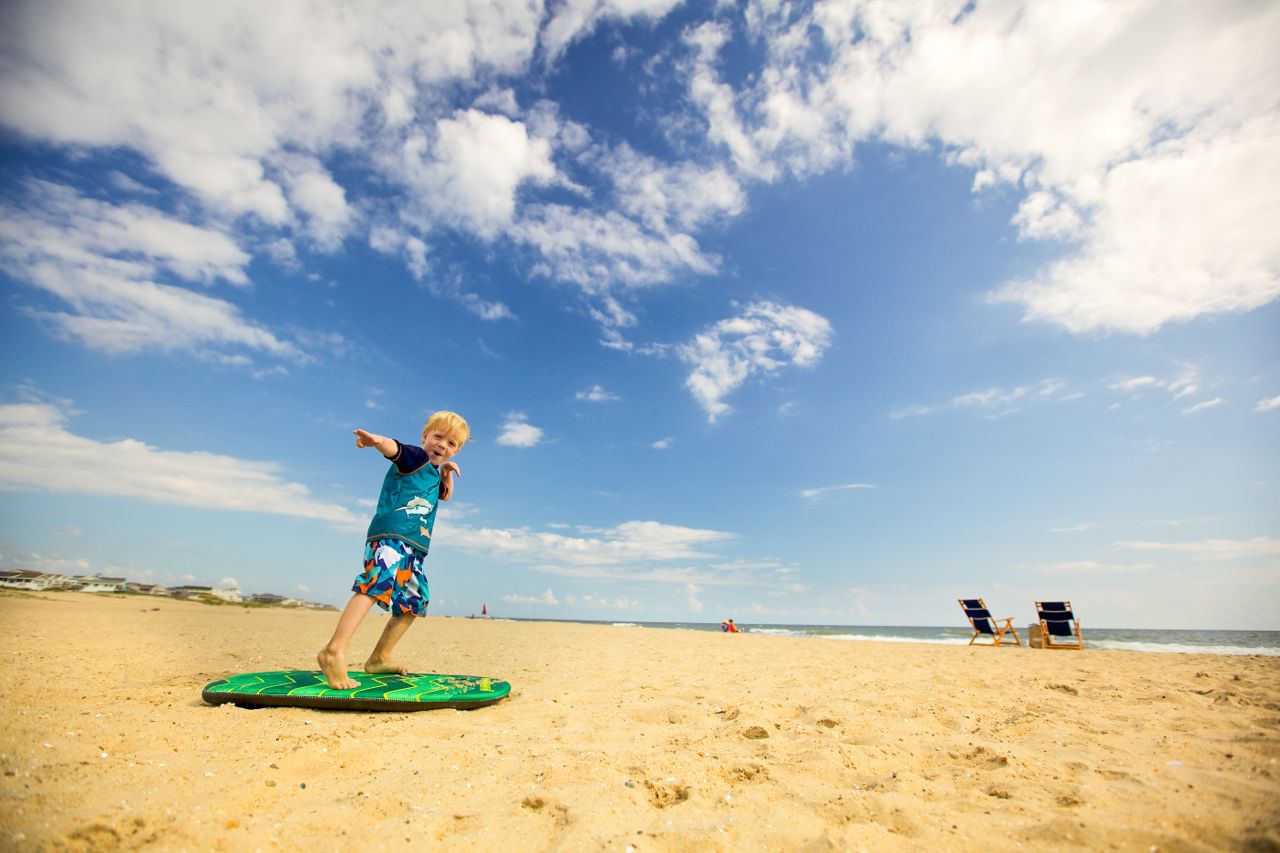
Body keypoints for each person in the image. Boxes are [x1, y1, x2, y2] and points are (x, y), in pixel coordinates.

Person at [316, 411, 469, 689]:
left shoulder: (433, 472)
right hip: (390, 538)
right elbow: (395, 449)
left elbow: (444, 496)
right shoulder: (416, 458)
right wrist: (377, 441)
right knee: (375, 585)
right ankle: (333, 651)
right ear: (425, 437)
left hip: (413, 548)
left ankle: (380, 657)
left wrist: (447, 472)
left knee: (414, 602)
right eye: (438, 437)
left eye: (451, 444)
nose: (442, 446)